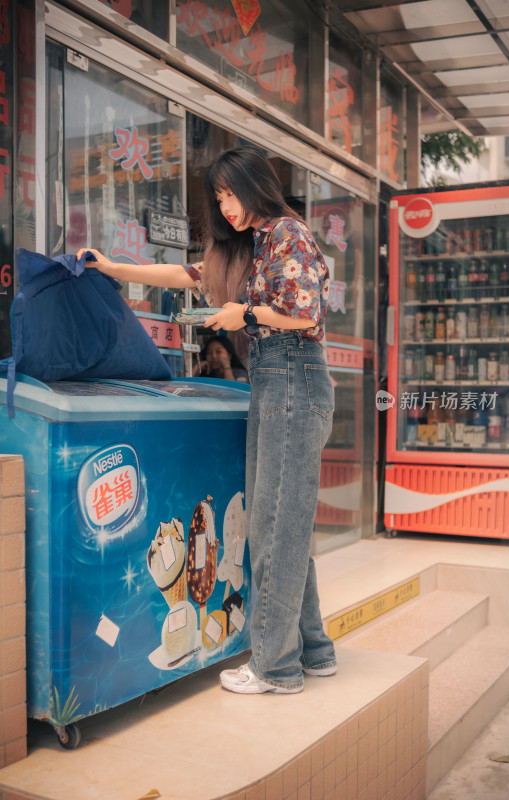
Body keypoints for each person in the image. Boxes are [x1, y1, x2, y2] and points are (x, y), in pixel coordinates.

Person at [77, 144, 336, 694]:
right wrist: (112, 267)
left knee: (274, 526)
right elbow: (187, 273)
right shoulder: (250, 246)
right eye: (218, 199)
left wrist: (241, 313)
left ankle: (276, 668)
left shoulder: (289, 234)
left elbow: (305, 311)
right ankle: (313, 650)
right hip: (272, 380)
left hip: (294, 377)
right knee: (283, 524)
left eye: (230, 194)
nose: (226, 208)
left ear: (254, 185)